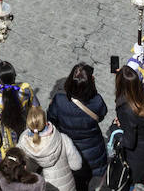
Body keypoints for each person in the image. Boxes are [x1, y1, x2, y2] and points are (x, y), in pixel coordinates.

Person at [45, 63, 107, 191]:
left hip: (70, 151)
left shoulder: (59, 100)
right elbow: (101, 116)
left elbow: (51, 120)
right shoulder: (97, 101)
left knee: (76, 182)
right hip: (94, 151)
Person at [0, 61, 39, 166]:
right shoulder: (26, 90)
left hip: (3, 149)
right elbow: (36, 110)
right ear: (14, 76)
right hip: (23, 137)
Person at [17, 105, 82, 191]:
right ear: (45, 121)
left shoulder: (22, 143)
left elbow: (23, 170)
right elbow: (76, 165)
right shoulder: (63, 138)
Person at [111, 66, 144, 185]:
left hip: (136, 157)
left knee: (132, 184)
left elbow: (129, 142)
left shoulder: (126, 108)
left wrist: (116, 130)